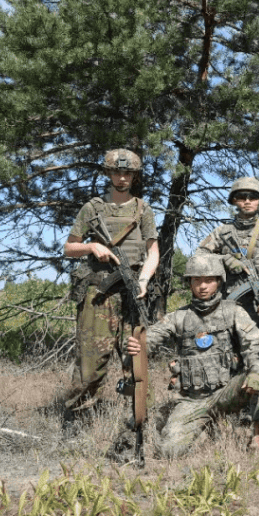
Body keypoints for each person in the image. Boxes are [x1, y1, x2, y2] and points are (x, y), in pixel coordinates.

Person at [123, 255, 259, 457]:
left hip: (226, 392)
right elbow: (150, 338)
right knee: (169, 452)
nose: (202, 286)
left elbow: (255, 344)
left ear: (219, 281)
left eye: (209, 280)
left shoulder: (234, 312)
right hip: (192, 401)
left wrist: (256, 371)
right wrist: (136, 344)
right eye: (196, 280)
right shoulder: (179, 317)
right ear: (190, 283)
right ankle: (204, 427)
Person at [62, 149, 159, 431]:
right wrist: (91, 246)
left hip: (132, 292)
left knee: (136, 360)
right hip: (99, 295)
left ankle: (139, 423)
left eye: (127, 173)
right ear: (109, 174)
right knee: (90, 364)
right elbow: (69, 247)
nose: (122, 177)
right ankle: (76, 423)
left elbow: (153, 252)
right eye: (117, 172)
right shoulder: (92, 208)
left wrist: (143, 280)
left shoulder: (143, 209)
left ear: (134, 176)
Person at [197, 176, 259, 340]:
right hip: (225, 306)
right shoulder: (222, 232)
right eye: (241, 197)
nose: (247, 201)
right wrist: (225, 260)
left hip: (258, 308)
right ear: (234, 200)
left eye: (253, 197)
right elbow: (199, 257)